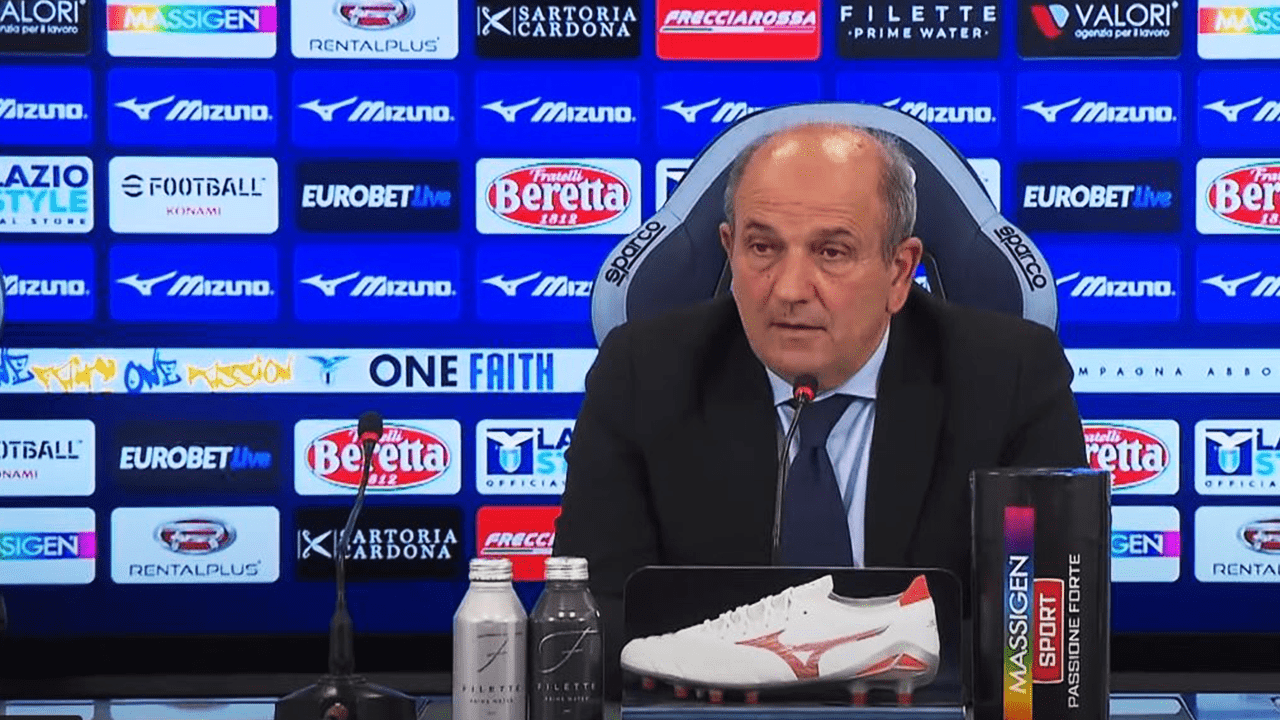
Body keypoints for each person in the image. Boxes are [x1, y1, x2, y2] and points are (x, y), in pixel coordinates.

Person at [552, 122, 1086, 697]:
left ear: (899, 271)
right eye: (763, 248)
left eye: (832, 252)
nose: (789, 289)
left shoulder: (1010, 377)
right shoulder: (643, 374)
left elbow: (1047, 625)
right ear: (730, 250)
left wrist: (857, 661)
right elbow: (590, 617)